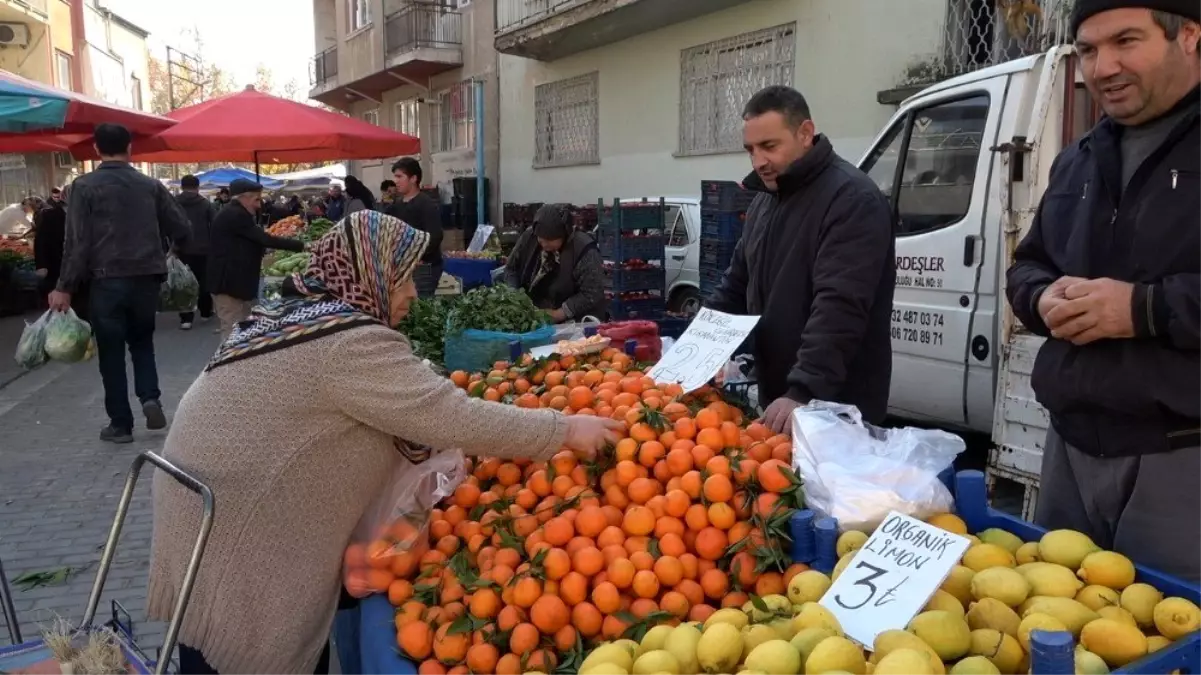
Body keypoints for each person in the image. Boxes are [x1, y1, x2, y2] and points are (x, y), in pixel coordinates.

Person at [148, 210, 623, 675]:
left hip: (201, 509)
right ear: (366, 275)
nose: (414, 296)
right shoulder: (346, 340)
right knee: (243, 649)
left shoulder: (298, 311)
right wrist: (562, 430)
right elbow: (448, 416)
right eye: (403, 280)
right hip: (240, 535)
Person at [1006, 2, 1201, 580]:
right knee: (1059, 628)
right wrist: (1040, 299)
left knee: (1172, 644)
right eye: (1088, 49)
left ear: (1189, 35)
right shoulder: (1080, 159)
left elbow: (1141, 305)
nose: (1103, 65)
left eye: (1126, 41)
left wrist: (1142, 309)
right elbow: (1028, 266)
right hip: (1069, 447)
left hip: (1181, 454)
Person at [705, 85, 895, 433]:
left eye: (769, 146)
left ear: (805, 133)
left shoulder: (851, 198)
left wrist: (804, 390)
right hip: (782, 400)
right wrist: (693, 354)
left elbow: (840, 305)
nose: (758, 161)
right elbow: (735, 284)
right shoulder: (766, 201)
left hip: (835, 408)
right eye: (750, 150)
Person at [50, 123, 193, 444]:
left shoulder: (83, 187)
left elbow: (76, 242)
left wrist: (64, 286)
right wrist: (172, 251)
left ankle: (120, 424)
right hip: (146, 279)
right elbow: (182, 228)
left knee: (111, 353)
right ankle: (150, 398)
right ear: (130, 148)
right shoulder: (150, 185)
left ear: (97, 150)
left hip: (106, 282)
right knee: (143, 344)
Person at [207, 178, 306, 338]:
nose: (260, 205)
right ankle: (230, 362)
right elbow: (265, 239)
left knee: (243, 329)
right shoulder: (236, 214)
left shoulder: (235, 213)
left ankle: (239, 360)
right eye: (256, 199)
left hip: (234, 284)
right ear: (243, 197)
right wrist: (303, 246)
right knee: (233, 333)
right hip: (227, 284)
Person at [504, 203, 606, 322]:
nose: (544, 244)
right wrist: (515, 297)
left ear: (564, 235)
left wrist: (561, 313)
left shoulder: (584, 250)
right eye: (541, 240)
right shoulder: (529, 237)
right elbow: (511, 268)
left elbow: (592, 292)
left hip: (575, 323)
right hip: (534, 317)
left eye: (549, 240)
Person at [385, 158, 443, 297]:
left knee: (420, 311)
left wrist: (417, 257)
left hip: (423, 269)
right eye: (395, 177)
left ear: (413, 178)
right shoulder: (396, 205)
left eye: (400, 176)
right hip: (401, 269)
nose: (396, 181)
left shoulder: (426, 204)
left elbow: (435, 236)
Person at [32, 186, 88, 319]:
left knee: (82, 307)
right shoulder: (50, 215)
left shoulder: (87, 215)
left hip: (82, 269)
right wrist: (41, 265)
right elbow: (40, 241)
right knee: (60, 307)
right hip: (56, 266)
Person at [175, 175, 217, 330]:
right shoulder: (205, 204)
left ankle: (186, 318)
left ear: (181, 186)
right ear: (198, 187)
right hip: (204, 249)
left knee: (184, 283)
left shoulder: (174, 203)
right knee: (204, 281)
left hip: (181, 248)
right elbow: (215, 225)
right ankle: (205, 312)